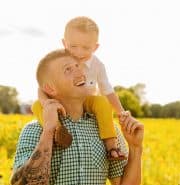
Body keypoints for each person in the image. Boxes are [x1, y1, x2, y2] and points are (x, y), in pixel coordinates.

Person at [11, 49, 144, 185]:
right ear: (50, 88)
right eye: (68, 69)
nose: (80, 72)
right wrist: (49, 129)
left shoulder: (108, 131)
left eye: (79, 66)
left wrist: (136, 148)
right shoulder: (34, 130)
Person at [32, 16, 132, 160]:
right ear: (64, 43)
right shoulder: (59, 60)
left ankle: (112, 147)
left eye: (86, 48)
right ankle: (57, 131)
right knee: (37, 105)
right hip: (61, 101)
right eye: (73, 46)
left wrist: (121, 112)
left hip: (86, 101)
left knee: (102, 102)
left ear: (95, 47)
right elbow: (43, 85)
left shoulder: (97, 65)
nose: (78, 53)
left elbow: (107, 90)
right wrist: (46, 102)